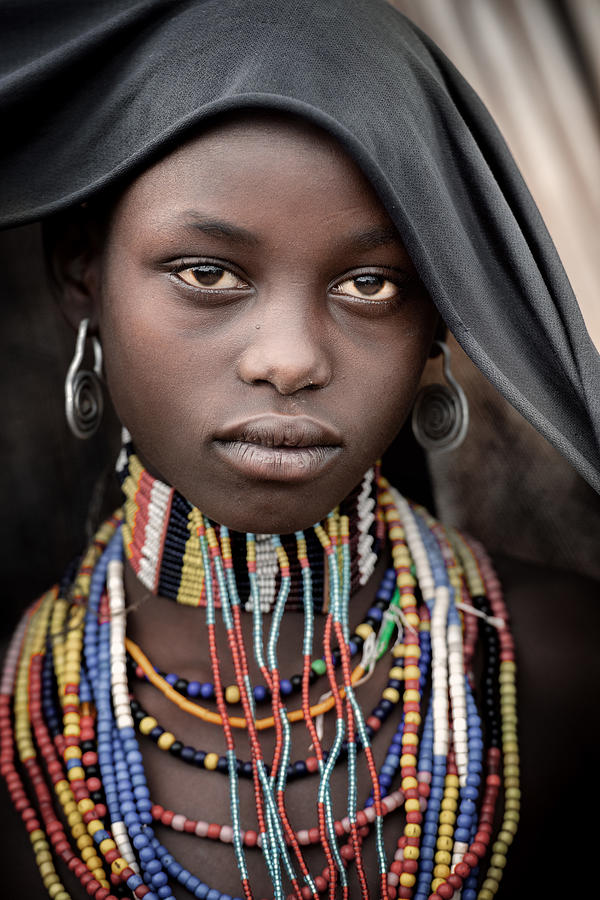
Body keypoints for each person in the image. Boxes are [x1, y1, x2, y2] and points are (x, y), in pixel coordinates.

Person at [1, 2, 599, 899]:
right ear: (81, 270)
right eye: (208, 273)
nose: (289, 359)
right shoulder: (14, 720)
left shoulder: (567, 671)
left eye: (370, 283)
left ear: (438, 313)